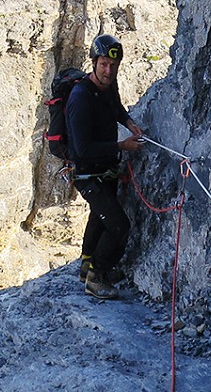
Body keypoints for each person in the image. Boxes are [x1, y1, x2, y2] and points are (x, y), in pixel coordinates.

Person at [65, 32, 144, 300]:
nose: (108, 70)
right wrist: (122, 147)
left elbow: (116, 108)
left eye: (112, 66)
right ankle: (96, 277)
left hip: (105, 168)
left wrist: (129, 122)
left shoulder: (108, 86)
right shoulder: (80, 97)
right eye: (103, 64)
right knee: (119, 225)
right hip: (87, 173)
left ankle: (87, 265)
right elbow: (82, 148)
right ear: (94, 62)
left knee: (99, 216)